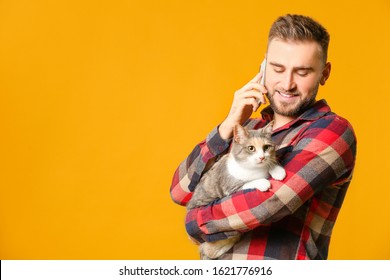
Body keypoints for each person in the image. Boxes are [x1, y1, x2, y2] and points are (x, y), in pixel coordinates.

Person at [170, 14, 357, 260]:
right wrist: (229, 125)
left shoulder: (331, 131)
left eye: (302, 72)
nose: (287, 84)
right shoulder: (246, 131)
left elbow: (266, 204)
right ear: (263, 67)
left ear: (324, 73)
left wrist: (195, 220)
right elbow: (181, 191)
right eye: (277, 69)